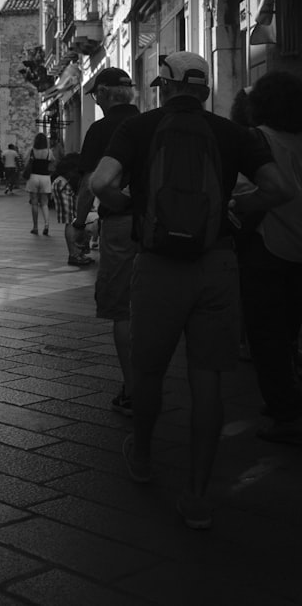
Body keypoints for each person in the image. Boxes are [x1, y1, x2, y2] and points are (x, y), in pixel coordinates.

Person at [90, 51, 293, 529]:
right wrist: (237, 212)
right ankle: (198, 496)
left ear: (165, 86)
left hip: (158, 263)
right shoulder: (234, 133)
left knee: (149, 368)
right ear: (204, 91)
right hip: (216, 262)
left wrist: (130, 204)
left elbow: (101, 181)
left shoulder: (138, 128)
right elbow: (280, 188)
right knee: (208, 379)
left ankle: (142, 456)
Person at [237, 71, 302, 445]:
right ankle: (288, 395)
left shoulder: (258, 139)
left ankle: (285, 412)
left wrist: (237, 206)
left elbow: (248, 188)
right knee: (291, 329)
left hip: (270, 245)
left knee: (267, 335)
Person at [77, 67, 141, 417]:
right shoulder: (149, 123)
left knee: (123, 309)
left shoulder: (102, 129)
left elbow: (91, 181)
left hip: (119, 224)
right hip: (153, 224)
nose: (95, 100)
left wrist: (77, 221)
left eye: (95, 94)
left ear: (103, 92)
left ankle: (133, 388)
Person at [50, 153, 93, 266]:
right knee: (70, 221)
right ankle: (74, 254)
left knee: (72, 219)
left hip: (61, 183)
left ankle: (77, 253)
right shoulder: (82, 163)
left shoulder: (77, 159)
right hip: (64, 185)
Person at [25, 133, 54, 235]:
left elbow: (26, 162)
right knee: (44, 203)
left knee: (34, 203)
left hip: (34, 177)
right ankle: (46, 225)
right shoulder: (49, 152)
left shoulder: (31, 151)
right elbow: (52, 163)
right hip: (45, 177)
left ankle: (35, 227)